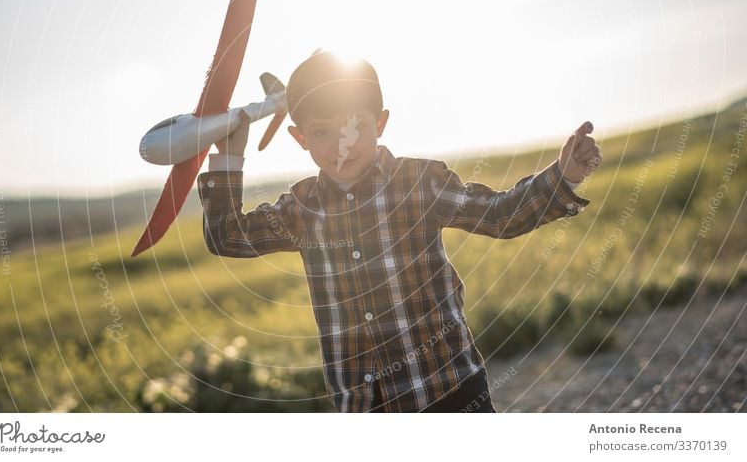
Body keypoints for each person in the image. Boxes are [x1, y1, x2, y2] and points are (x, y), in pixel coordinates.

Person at [197, 50, 602, 413]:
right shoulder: (301, 208)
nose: (342, 144)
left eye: (354, 125)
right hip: (364, 407)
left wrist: (562, 176)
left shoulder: (419, 183)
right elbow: (228, 236)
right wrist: (229, 157)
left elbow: (498, 215)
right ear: (300, 138)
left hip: (451, 393)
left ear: (381, 122)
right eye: (321, 132)